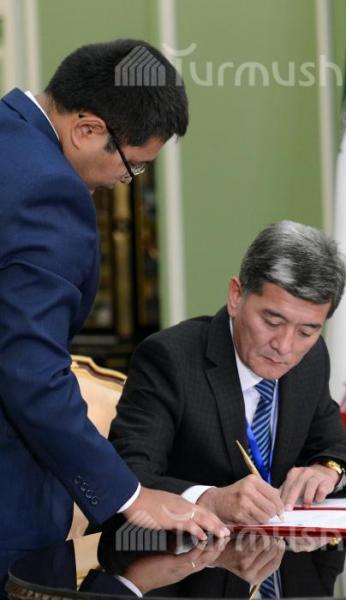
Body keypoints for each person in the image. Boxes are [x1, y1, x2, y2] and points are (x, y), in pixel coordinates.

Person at [0, 39, 227, 578]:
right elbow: (29, 370)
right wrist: (130, 496)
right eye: (132, 167)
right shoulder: (48, 191)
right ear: (86, 129)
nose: (122, 182)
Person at [109, 221, 346, 525]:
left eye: (306, 331)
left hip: (282, 549)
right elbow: (127, 476)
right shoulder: (170, 359)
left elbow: (340, 448)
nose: (284, 346)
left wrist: (327, 470)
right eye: (272, 322)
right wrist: (207, 499)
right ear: (236, 296)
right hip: (183, 549)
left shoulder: (312, 358)